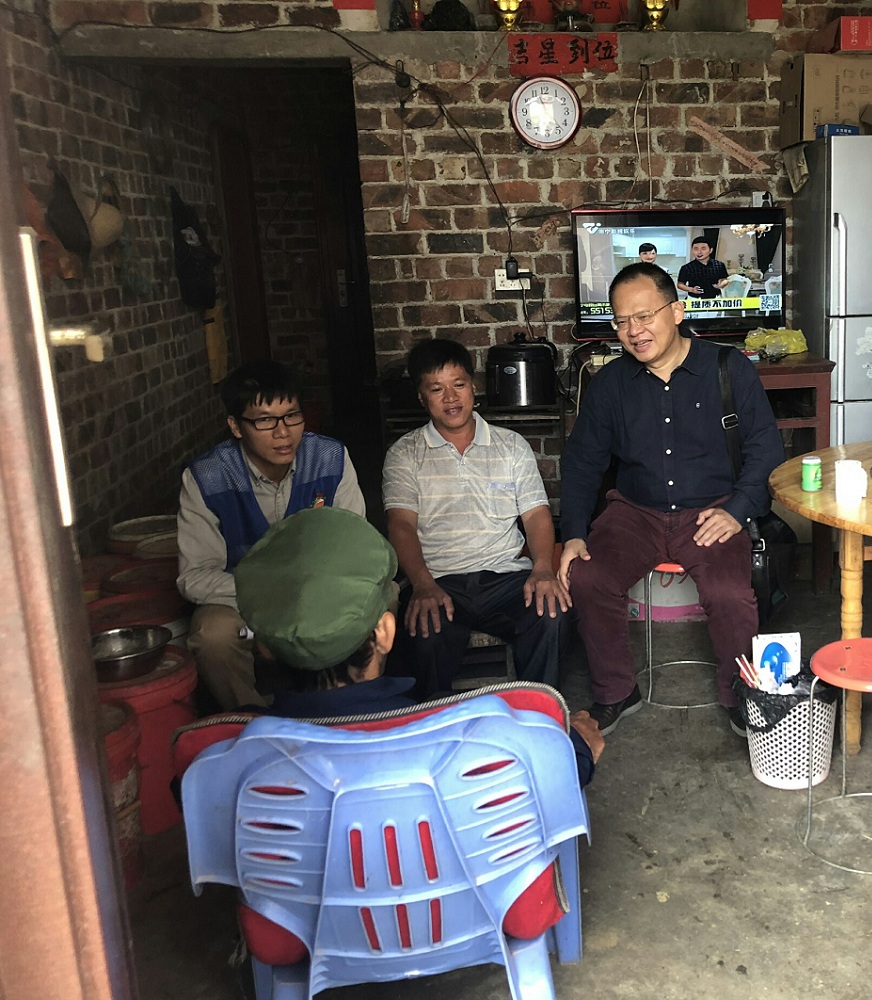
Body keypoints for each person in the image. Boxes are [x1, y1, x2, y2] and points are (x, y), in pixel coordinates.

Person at [557, 262, 785, 737]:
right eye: (622, 321)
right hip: (634, 512)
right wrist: (574, 533)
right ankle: (616, 691)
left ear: (677, 311)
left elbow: (766, 449)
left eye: (644, 316)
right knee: (588, 577)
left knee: (728, 593)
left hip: (711, 510)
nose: (633, 331)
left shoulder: (728, 368)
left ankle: (740, 695)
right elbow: (582, 463)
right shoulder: (610, 384)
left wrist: (737, 511)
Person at [232, 506, 604, 786]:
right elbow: (548, 778)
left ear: (264, 646)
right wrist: (576, 746)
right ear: (385, 633)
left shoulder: (230, 750)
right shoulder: (454, 737)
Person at [382, 338, 571, 699]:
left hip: (505, 578)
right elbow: (401, 525)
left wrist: (543, 567)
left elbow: (536, 514)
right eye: (436, 389)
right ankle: (435, 721)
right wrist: (422, 584)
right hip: (440, 580)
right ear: (422, 397)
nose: (451, 398)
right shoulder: (405, 453)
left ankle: (538, 712)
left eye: (459, 384)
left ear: (474, 386)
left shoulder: (510, 445)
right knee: (423, 630)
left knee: (551, 613)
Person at [176, 359, 365, 711]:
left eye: (292, 416)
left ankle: (340, 713)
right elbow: (195, 576)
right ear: (236, 426)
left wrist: (310, 595)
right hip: (247, 612)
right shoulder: (207, 478)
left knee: (381, 600)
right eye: (265, 421)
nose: (283, 433)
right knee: (213, 635)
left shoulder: (330, 458)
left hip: (320, 599)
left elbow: (355, 548)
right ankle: (254, 721)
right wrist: (273, 598)